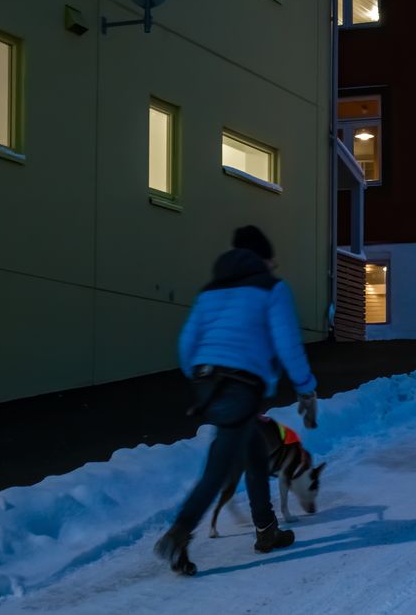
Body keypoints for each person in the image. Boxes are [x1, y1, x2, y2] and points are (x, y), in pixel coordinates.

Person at [154, 225, 319, 575]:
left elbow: (186, 346)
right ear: (262, 259)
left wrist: (202, 379)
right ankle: (178, 534)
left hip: (207, 382)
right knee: (219, 467)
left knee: (254, 452)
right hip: (241, 387)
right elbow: (289, 345)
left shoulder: (209, 291)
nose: (274, 268)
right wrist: (306, 388)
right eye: (271, 262)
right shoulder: (272, 289)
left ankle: (266, 530)